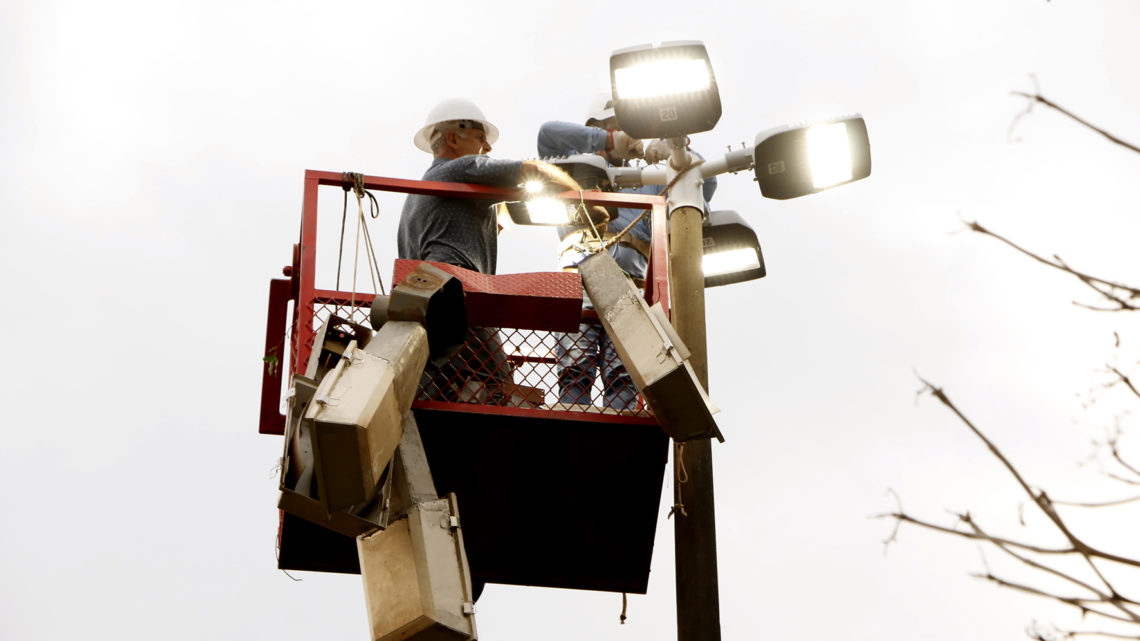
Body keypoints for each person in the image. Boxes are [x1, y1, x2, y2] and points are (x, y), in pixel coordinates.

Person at [398, 98, 601, 403]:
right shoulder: (457, 169)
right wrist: (581, 198)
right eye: (481, 138)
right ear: (453, 138)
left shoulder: (431, 192)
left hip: (431, 303)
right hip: (457, 295)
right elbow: (533, 171)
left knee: (443, 388)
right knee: (499, 383)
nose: (487, 148)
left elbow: (497, 220)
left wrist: (558, 212)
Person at [537, 95, 716, 410]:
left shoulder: (646, 182)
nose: (627, 135)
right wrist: (612, 141)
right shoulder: (574, 170)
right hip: (580, 286)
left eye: (630, 129)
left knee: (623, 375)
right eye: (616, 128)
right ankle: (572, 421)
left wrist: (675, 149)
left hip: (631, 292)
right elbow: (547, 135)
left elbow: (705, 179)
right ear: (594, 130)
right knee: (575, 371)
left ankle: (615, 422)